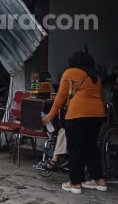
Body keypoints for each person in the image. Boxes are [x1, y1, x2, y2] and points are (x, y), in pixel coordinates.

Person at [42, 51, 107, 194]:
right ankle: (99, 181)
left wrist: (51, 114)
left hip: (77, 114)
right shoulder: (95, 76)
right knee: (90, 147)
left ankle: (75, 183)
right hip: (97, 114)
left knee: (75, 149)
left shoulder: (70, 72)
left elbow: (60, 96)